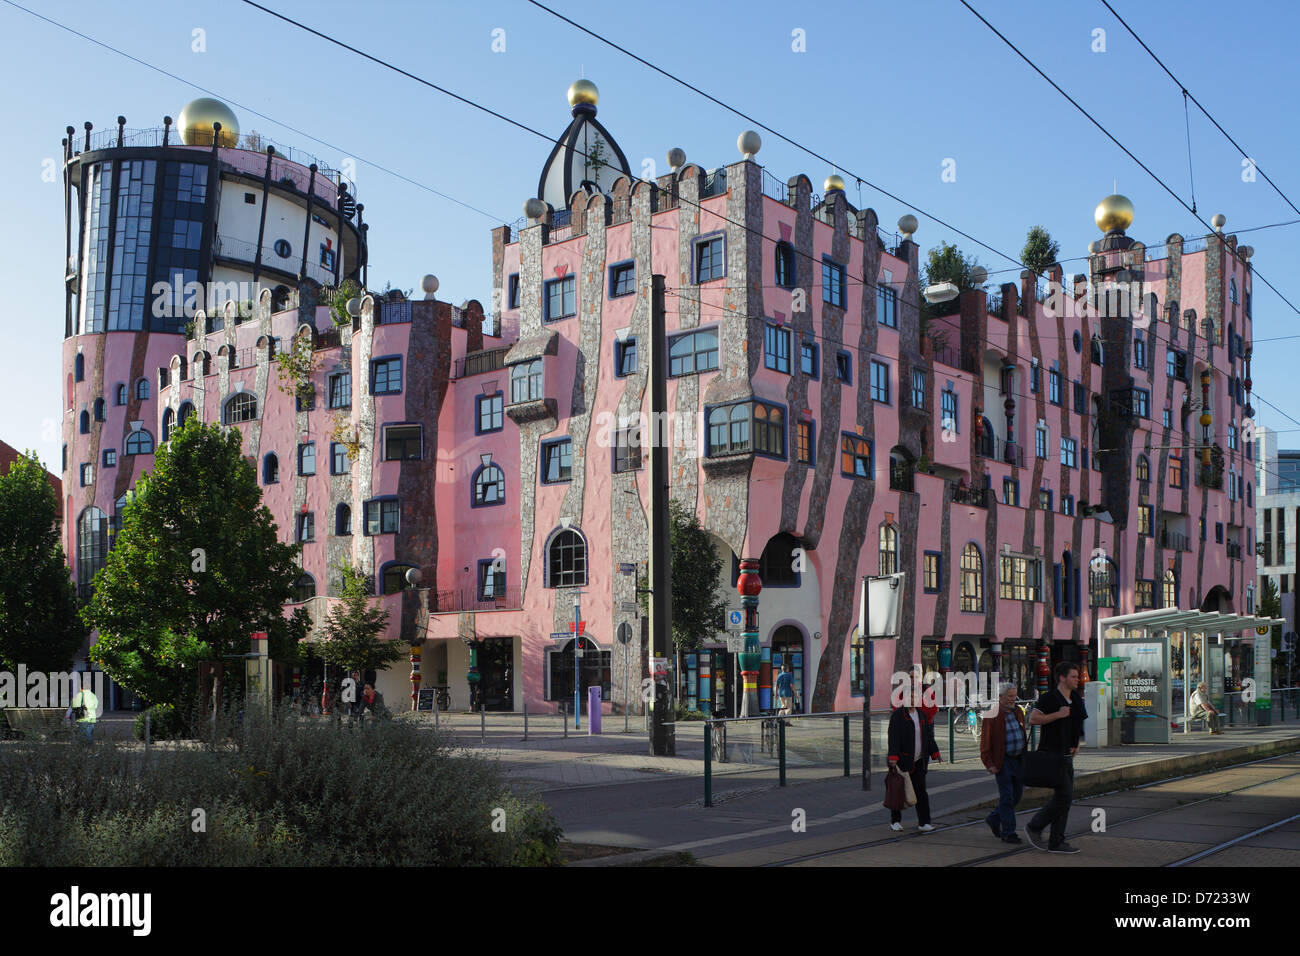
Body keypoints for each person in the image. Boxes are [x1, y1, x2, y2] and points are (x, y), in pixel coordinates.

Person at [1026, 661, 1087, 854]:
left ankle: (1056, 840)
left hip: (1067, 754)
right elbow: (1033, 719)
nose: (1078, 680)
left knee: (1064, 798)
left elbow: (1077, 725)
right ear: (1062, 678)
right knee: (1065, 796)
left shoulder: (1076, 699)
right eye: (1073, 677)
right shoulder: (1050, 698)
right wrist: (1057, 715)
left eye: (1077, 676)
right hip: (1052, 754)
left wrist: (1076, 744)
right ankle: (1037, 826)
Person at [886, 685, 942, 833]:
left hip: (919, 760)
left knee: (921, 792)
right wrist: (893, 756)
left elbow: (928, 736)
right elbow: (893, 737)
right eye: (910, 697)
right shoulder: (898, 716)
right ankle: (895, 821)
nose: (912, 699)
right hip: (903, 760)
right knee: (898, 790)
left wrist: (935, 752)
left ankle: (924, 822)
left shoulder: (922, 715)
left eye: (915, 697)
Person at [980, 682, 1027, 843]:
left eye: (1014, 696)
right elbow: (985, 743)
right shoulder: (992, 715)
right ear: (1000, 697)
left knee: (1017, 795)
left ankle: (994, 818)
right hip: (1003, 760)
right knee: (1007, 797)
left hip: (1018, 759)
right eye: (1010, 697)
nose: (1013, 699)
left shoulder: (1018, 711)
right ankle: (1009, 832)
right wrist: (989, 763)